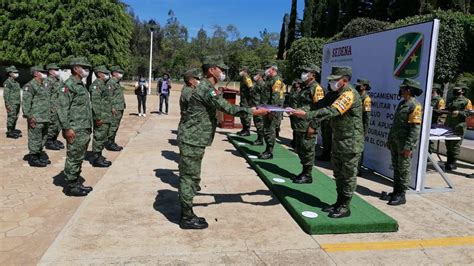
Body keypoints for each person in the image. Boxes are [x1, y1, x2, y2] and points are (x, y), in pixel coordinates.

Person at [177, 55, 268, 230]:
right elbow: (229, 109)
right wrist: (252, 112)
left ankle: (186, 211)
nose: (223, 72)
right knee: (189, 178)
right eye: (221, 69)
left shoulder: (206, 87)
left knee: (191, 177)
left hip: (193, 138)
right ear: (212, 70)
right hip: (192, 139)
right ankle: (186, 217)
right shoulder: (206, 89)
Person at [292, 66, 363, 218]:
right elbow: (319, 104)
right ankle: (338, 202)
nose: (331, 82)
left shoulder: (349, 94)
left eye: (335, 80)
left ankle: (345, 206)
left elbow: (332, 111)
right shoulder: (335, 94)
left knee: (348, 175)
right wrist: (297, 110)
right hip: (339, 140)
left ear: (344, 80)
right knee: (338, 173)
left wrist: (307, 115)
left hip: (351, 142)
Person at [57, 57, 94, 196]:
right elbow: (62, 108)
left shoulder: (80, 84)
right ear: (75, 69)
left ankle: (76, 181)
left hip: (83, 127)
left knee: (79, 156)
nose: (87, 70)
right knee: (73, 156)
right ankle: (71, 186)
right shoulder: (68, 85)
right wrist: (67, 128)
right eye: (84, 67)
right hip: (74, 128)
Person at [385, 78, 423, 205]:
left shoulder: (415, 106)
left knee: (404, 169)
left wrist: (408, 147)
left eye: (403, 88)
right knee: (396, 167)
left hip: (404, 145)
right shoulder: (402, 104)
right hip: (396, 142)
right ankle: (396, 191)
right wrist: (389, 139)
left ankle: (402, 195)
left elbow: (415, 129)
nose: (400, 90)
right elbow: (395, 124)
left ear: (409, 90)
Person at [292, 64, 325, 184]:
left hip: (308, 126)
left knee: (308, 150)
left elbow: (320, 109)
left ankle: (307, 175)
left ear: (313, 75)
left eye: (307, 72)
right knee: (301, 150)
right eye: (303, 71)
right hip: (300, 125)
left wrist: (313, 126)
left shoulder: (316, 88)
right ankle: (304, 172)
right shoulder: (306, 87)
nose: (304, 74)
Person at [22, 66, 51, 167]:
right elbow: (26, 103)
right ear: (35, 73)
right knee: (35, 138)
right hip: (36, 117)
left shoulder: (43, 85)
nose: (45, 74)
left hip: (45, 117)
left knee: (43, 138)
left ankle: (38, 155)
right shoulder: (29, 86)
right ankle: (33, 158)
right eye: (42, 72)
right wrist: (30, 117)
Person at [259, 62, 285, 160]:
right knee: (266, 129)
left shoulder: (276, 80)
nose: (266, 70)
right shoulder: (270, 79)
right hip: (267, 109)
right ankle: (267, 149)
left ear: (273, 69)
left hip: (271, 110)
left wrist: (272, 111)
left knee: (270, 130)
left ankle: (269, 152)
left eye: (267, 68)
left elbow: (276, 97)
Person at [444, 84, 472, 170]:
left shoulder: (467, 101)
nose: (455, 92)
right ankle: (449, 161)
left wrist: (459, 113)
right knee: (448, 143)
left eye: (458, 90)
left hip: (459, 125)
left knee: (455, 144)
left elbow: (469, 113)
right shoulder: (451, 99)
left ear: (462, 91)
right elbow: (447, 108)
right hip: (449, 124)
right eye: (454, 90)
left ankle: (453, 163)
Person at [90, 65, 113, 168]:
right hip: (101, 117)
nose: (107, 75)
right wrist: (98, 117)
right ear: (99, 74)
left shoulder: (103, 84)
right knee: (99, 137)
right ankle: (96, 159)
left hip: (106, 116)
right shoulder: (96, 85)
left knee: (103, 137)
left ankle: (99, 155)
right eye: (105, 73)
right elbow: (95, 103)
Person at [44, 63, 65, 150]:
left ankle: (54, 139)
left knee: (58, 125)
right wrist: (49, 108)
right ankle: (48, 141)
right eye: (55, 70)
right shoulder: (47, 81)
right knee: (52, 124)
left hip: (59, 106)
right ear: (50, 71)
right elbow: (46, 95)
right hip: (52, 107)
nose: (57, 71)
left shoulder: (58, 80)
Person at [106, 65, 126, 151]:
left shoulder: (116, 82)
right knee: (113, 126)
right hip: (115, 109)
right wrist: (112, 107)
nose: (121, 74)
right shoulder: (111, 83)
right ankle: (110, 143)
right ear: (114, 73)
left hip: (119, 108)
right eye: (119, 72)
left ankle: (111, 141)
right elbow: (109, 96)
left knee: (115, 126)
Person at [355, 78, 371, 176]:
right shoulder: (357, 97)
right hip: (353, 127)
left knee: (359, 150)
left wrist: (364, 131)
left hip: (360, 128)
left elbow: (367, 117)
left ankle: (357, 169)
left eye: (359, 85)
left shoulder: (366, 99)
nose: (357, 86)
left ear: (364, 86)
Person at [3, 65, 22, 139]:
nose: (16, 73)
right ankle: (9, 132)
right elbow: (6, 95)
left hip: (16, 103)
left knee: (15, 117)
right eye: (15, 72)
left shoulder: (15, 82)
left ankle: (13, 130)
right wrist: (7, 105)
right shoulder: (7, 82)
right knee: (11, 117)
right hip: (11, 103)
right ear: (10, 73)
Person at [250, 69, 266, 145]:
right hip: (255, 106)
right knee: (257, 123)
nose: (254, 75)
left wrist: (262, 107)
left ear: (260, 75)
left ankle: (260, 140)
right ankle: (259, 138)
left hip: (259, 106)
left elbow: (265, 97)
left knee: (260, 124)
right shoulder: (256, 83)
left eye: (256, 74)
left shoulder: (262, 84)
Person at [428, 83, 445, 153]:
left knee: (430, 139)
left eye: (433, 89)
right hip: (426, 121)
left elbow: (441, 111)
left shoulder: (440, 100)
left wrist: (430, 110)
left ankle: (429, 153)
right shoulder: (428, 98)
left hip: (433, 122)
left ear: (436, 90)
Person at [237, 66, 253, 136]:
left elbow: (251, 89)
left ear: (244, 71)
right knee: (242, 114)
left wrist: (250, 100)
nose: (240, 72)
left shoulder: (247, 78)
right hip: (243, 100)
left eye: (241, 70)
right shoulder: (243, 78)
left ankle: (247, 130)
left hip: (246, 101)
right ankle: (244, 129)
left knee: (246, 115)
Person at [287, 78, 302, 148]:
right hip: (291, 111)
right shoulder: (293, 91)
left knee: (297, 128)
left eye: (295, 83)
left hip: (296, 111)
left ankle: (296, 143)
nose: (294, 84)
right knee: (293, 127)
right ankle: (294, 140)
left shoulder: (300, 92)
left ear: (299, 84)